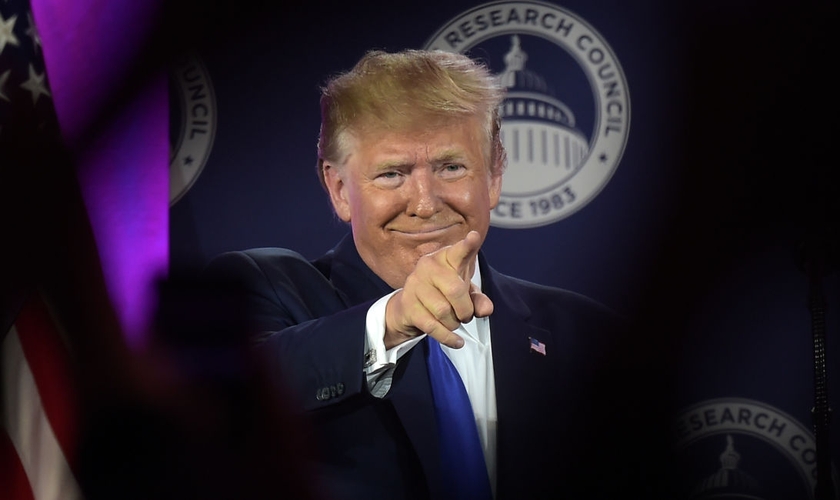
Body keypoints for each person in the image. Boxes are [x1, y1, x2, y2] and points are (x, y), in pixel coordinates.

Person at [204, 49, 668, 500]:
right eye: (391, 174)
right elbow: (221, 400)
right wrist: (394, 317)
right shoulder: (265, 287)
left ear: (494, 177)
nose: (425, 204)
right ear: (340, 188)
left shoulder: (585, 334)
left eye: (451, 167)